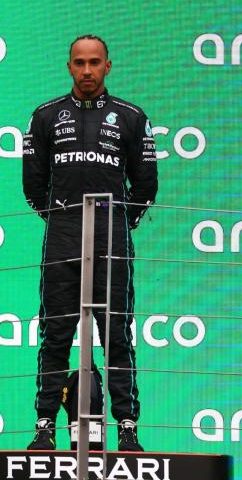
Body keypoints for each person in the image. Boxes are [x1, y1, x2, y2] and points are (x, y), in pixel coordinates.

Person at [22, 35, 158, 451]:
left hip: (112, 235)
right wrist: (65, 220)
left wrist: (115, 221)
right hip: (62, 235)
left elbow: (147, 185)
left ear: (107, 66)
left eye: (94, 62)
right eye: (79, 63)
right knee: (55, 333)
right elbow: (33, 186)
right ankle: (45, 426)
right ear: (68, 67)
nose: (86, 71)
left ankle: (128, 429)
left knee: (117, 333)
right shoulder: (45, 116)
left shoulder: (132, 117)